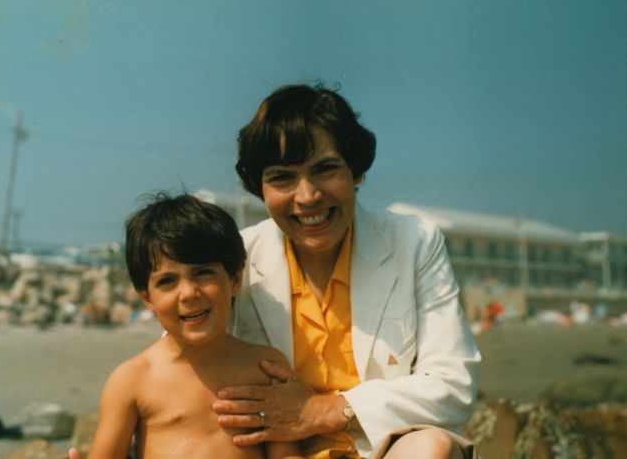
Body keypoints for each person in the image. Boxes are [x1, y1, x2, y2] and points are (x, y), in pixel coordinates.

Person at [212, 84, 482, 459]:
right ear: (260, 187)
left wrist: (325, 411)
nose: (307, 197)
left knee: (431, 446)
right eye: (282, 177)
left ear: (356, 171)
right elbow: (176, 364)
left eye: (325, 169)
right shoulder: (234, 257)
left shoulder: (414, 240)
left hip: (387, 450)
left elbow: (455, 386)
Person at [71, 193, 302, 459]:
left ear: (235, 279)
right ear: (147, 297)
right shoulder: (132, 381)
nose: (189, 293)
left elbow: (286, 452)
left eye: (203, 273)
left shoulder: (266, 367)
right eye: (167, 281)